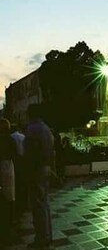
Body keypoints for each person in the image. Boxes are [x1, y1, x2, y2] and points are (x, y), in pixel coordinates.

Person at [23, 105, 54, 247]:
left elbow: (31, 152)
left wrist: (29, 171)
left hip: (37, 169)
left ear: (30, 114)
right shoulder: (46, 128)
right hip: (45, 167)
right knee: (44, 203)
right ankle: (48, 235)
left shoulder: (32, 129)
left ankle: (41, 238)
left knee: (38, 205)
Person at [0, 119, 17, 245]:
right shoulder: (10, 139)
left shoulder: (8, 139)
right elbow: (15, 154)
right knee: (9, 194)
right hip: (8, 166)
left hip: (5, 165)